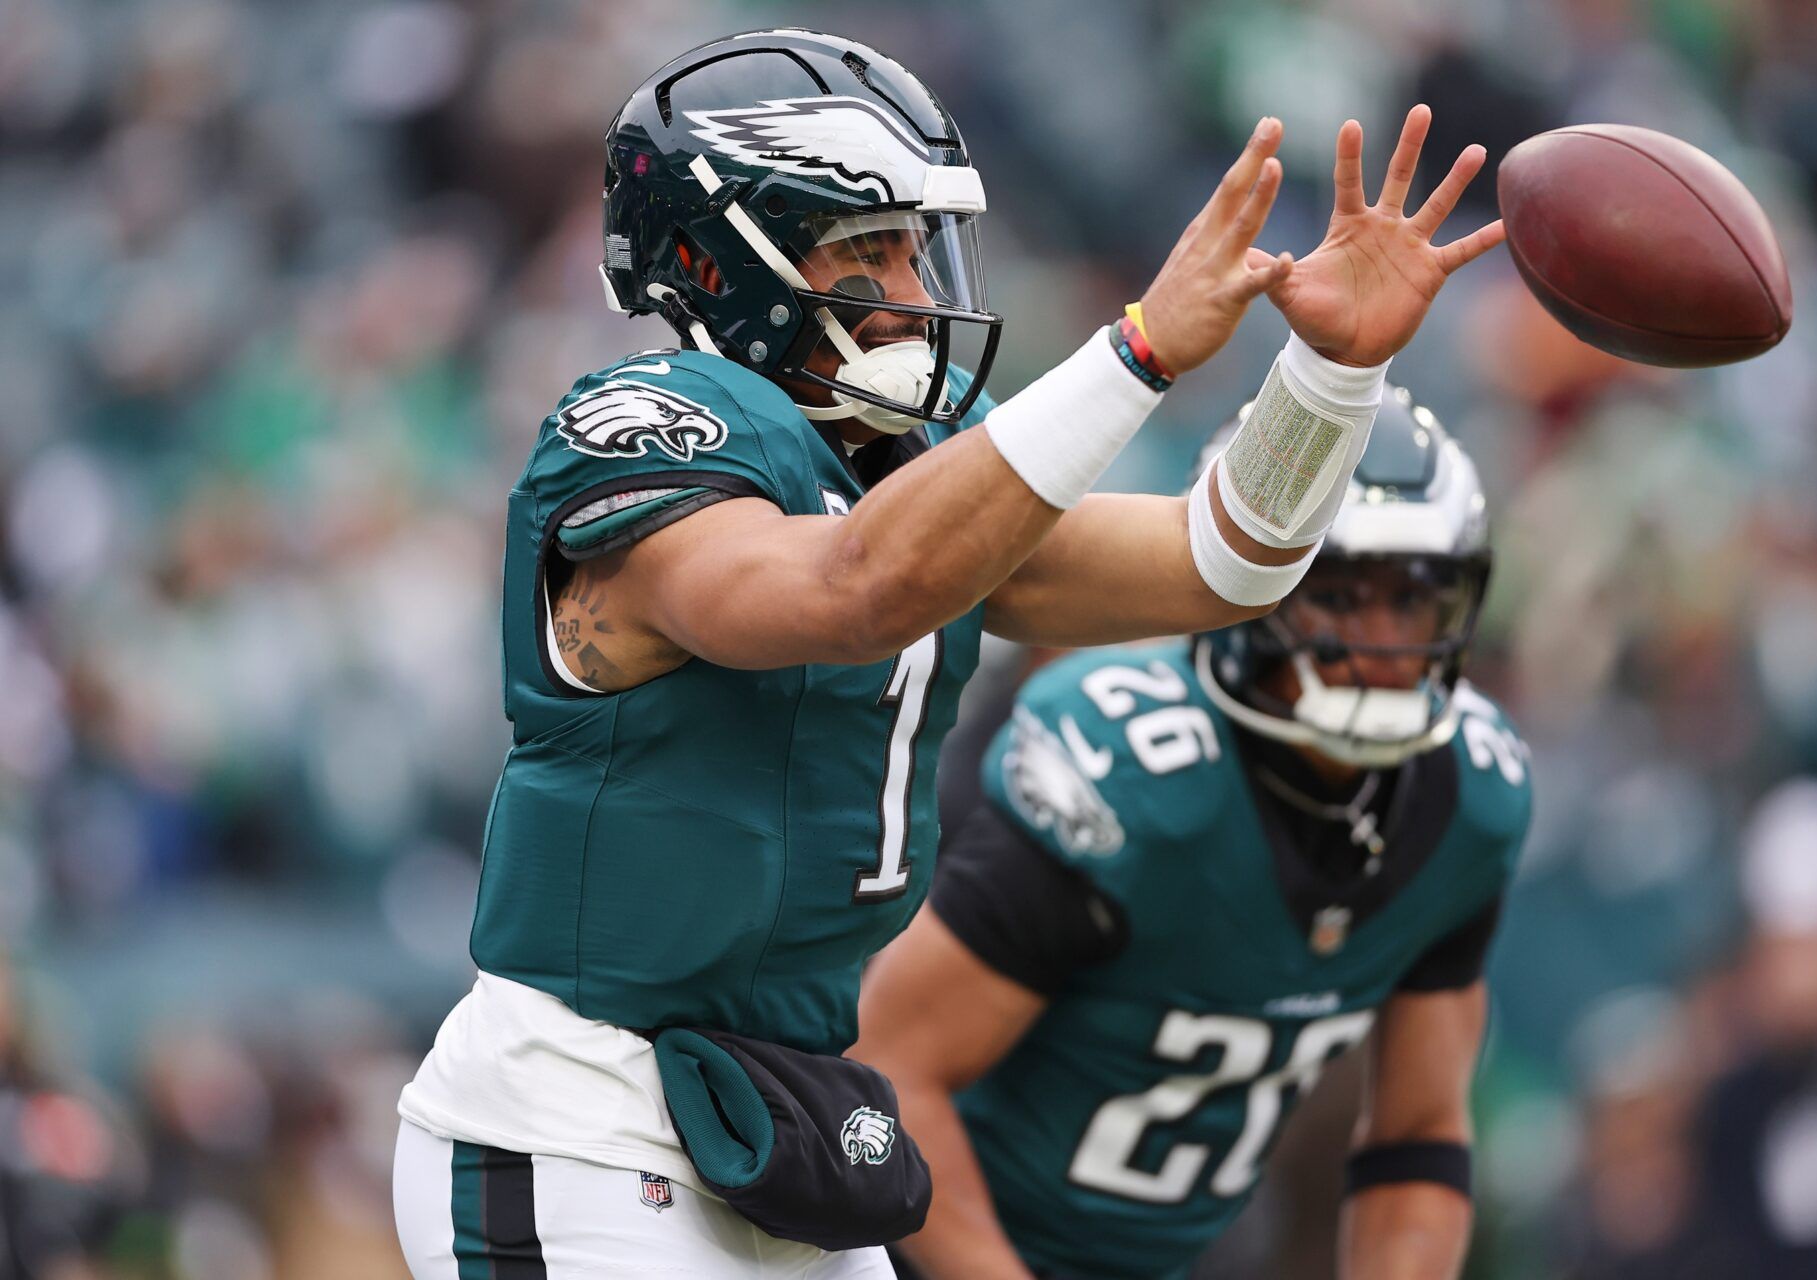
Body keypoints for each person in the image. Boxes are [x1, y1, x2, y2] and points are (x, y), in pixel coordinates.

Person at [390, 28, 1506, 1279]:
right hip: (580, 1116)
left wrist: (1333, 372)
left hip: (788, 1118)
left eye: (917, 244)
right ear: (717, 260)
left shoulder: (910, 463)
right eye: (869, 248)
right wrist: (1135, 353)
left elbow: (1222, 562)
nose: (916, 288)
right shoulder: (642, 430)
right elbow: (854, 588)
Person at [854, 394, 1532, 1280]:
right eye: (1337, 595)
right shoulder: (1136, 775)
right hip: (918, 1243)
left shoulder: (1470, 797)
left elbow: (1419, 1134)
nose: (1382, 645)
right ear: (1254, 583)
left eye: (1411, 599)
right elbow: (891, 1075)